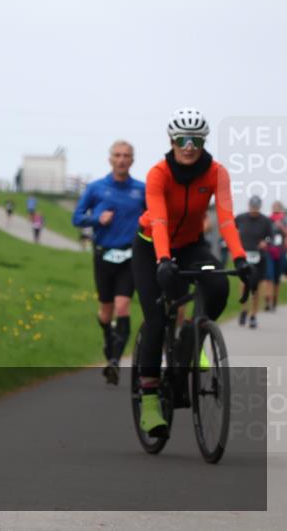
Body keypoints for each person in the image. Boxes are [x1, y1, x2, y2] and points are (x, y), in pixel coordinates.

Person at [131, 107, 249, 438]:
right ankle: (151, 399)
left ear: (203, 142)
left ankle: (194, 337)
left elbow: (225, 219)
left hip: (192, 245)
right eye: (182, 139)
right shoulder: (158, 173)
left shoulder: (216, 173)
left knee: (217, 286)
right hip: (150, 244)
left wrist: (240, 259)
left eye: (195, 140)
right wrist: (163, 259)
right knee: (156, 320)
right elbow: (159, 220)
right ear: (172, 141)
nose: (188, 146)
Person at [71, 140, 145, 385]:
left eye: (126, 155)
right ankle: (108, 337)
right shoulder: (96, 188)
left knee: (123, 307)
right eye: (117, 155)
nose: (122, 159)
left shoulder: (141, 190)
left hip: (130, 256)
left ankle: (114, 361)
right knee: (105, 311)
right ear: (110, 159)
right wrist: (96, 219)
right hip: (104, 255)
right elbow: (77, 218)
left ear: (132, 160)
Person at [234, 196, 275, 328]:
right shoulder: (240, 218)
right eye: (252, 208)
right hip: (244, 255)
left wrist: (266, 242)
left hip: (259, 257)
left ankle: (253, 315)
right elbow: (231, 230)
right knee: (243, 283)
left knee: (255, 287)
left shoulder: (265, 221)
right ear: (249, 206)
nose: (254, 210)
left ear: (259, 207)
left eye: (256, 208)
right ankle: (244, 310)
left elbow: (272, 237)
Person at [271, 201, 286, 311]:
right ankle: (268, 299)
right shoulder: (268, 219)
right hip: (270, 251)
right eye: (274, 207)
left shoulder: (284, 220)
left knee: (277, 277)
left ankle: (275, 299)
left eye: (277, 207)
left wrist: (281, 226)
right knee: (269, 276)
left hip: (281, 251)